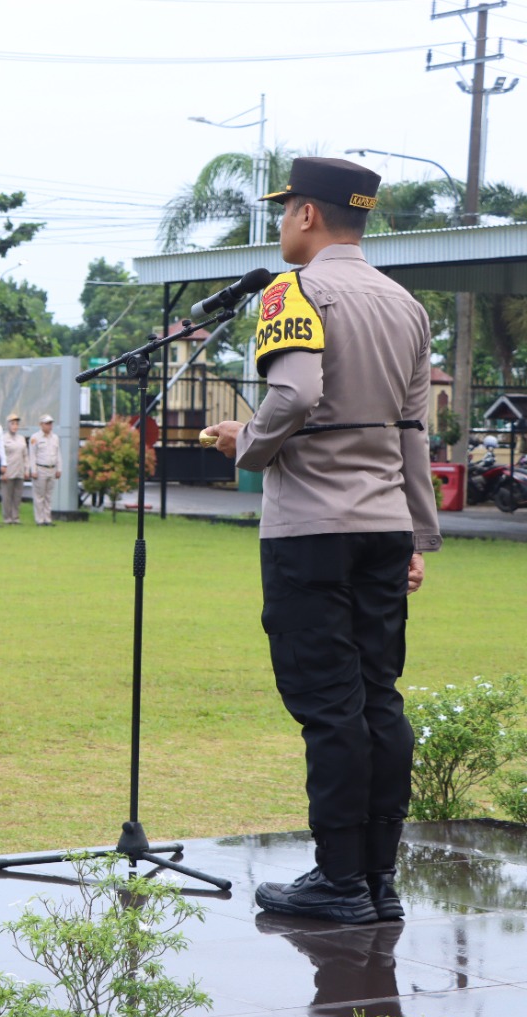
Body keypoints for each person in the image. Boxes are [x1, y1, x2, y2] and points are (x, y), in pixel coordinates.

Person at [203, 156, 441, 925]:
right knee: (379, 698)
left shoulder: (293, 291)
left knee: (329, 704)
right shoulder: (406, 305)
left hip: (312, 527)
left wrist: (247, 442)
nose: (281, 223)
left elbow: (297, 392)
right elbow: (413, 430)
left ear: (307, 214)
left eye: (284, 210)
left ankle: (338, 879)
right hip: (381, 523)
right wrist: (417, 532)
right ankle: (378, 879)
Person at [28, 414, 61, 525]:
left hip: (52, 469)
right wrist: (34, 470)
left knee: (48, 495)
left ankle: (47, 518)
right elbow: (32, 455)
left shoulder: (55, 437)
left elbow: (58, 454)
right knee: (39, 495)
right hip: (40, 468)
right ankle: (40, 519)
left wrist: (59, 468)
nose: (49, 426)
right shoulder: (35, 437)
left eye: (50, 423)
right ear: (41, 424)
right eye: (47, 423)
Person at [0, 415, 28, 525]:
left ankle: (15, 517)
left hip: (19, 471)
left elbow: (25, 455)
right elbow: (1, 456)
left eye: (16, 424)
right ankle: (7, 518)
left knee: (17, 496)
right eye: (13, 423)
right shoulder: (3, 438)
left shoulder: (21, 438)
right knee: (7, 496)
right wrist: (2, 472)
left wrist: (26, 469)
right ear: (8, 425)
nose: (15, 426)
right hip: (8, 471)